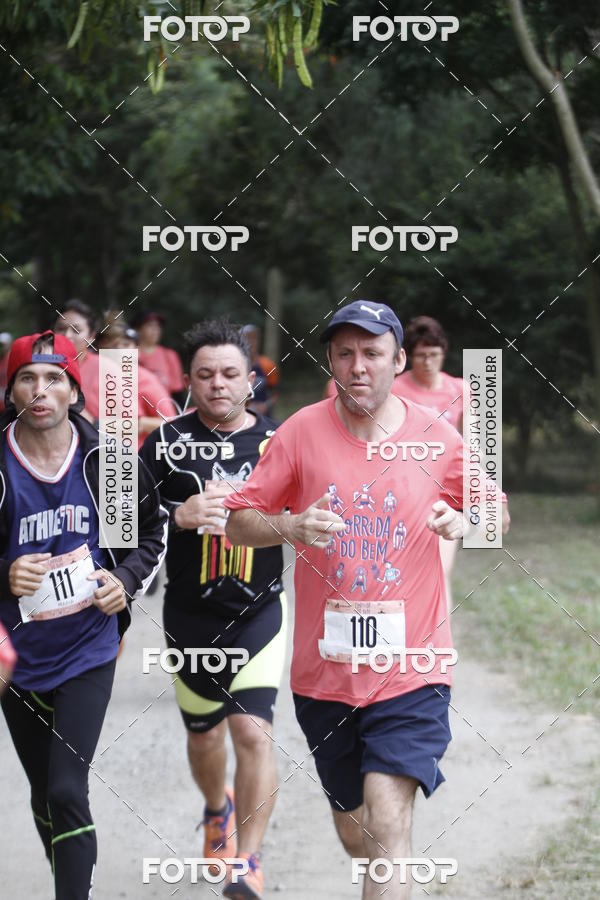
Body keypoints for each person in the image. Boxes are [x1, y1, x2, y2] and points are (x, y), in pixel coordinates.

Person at [225, 301, 509, 900]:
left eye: (373, 353)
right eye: (346, 353)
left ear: (398, 361)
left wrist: (466, 519)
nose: (359, 367)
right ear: (330, 360)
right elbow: (239, 523)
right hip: (324, 674)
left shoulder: (437, 436)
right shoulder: (300, 431)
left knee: (387, 822)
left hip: (413, 667)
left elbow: (496, 509)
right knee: (357, 831)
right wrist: (291, 526)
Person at [0, 330, 168, 900]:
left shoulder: (107, 461)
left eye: (54, 379)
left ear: (74, 390)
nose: (40, 389)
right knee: (44, 790)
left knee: (68, 789)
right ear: (11, 390)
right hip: (15, 655)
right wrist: (5, 575)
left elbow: (150, 533)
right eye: (27, 377)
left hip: (87, 648)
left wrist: (123, 581)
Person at [141, 318, 287, 900]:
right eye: (205, 374)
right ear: (190, 382)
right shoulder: (166, 443)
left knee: (252, 731)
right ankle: (214, 809)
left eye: (230, 373)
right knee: (205, 738)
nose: (218, 384)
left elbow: (314, 508)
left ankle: (247, 862)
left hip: (259, 611)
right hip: (190, 616)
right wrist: (176, 515)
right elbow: (123, 522)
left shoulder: (279, 442)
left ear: (250, 379)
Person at [96, 314, 177, 448]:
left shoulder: (145, 379)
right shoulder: (90, 376)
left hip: (137, 459)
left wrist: (136, 424)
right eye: (112, 347)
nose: (120, 351)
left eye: (126, 345)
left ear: (137, 350)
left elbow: (171, 424)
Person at [54, 299, 100, 424]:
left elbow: (129, 423)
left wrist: (93, 423)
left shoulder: (107, 369)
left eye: (76, 330)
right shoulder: (39, 367)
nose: (67, 335)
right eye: (61, 328)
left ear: (91, 337)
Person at [135, 311, 186, 406]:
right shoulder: (128, 355)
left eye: (158, 326)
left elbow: (177, 393)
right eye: (149, 325)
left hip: (162, 409)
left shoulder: (169, 355)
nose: (155, 330)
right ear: (137, 330)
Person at [241, 324, 279, 416]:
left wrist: (265, 405)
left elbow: (275, 393)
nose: (251, 342)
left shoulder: (268, 365)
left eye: (254, 338)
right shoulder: (235, 367)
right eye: (247, 338)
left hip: (264, 417)